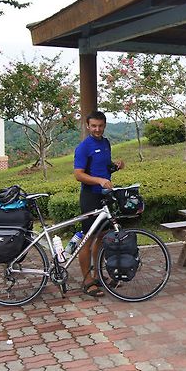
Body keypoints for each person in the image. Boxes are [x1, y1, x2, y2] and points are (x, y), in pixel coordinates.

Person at [73, 110, 124, 297]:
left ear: (105, 126)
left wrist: (115, 166)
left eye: (100, 126)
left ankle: (98, 276)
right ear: (88, 126)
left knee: (101, 237)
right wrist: (99, 181)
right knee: (87, 239)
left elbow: (102, 167)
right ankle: (87, 281)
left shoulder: (105, 143)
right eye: (93, 126)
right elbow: (79, 174)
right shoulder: (83, 147)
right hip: (90, 197)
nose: (97, 129)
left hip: (105, 198)